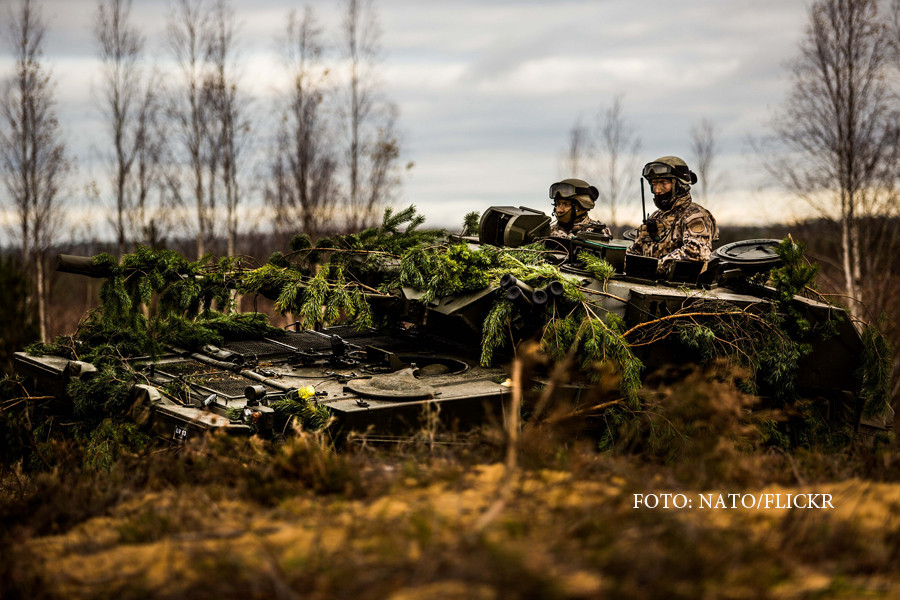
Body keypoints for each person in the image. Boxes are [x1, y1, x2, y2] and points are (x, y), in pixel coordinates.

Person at [627, 156, 717, 273]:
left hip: (683, 284)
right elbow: (635, 252)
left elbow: (697, 252)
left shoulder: (695, 215)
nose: (657, 190)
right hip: (646, 282)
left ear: (679, 184)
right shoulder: (656, 217)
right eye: (654, 184)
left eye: (664, 183)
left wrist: (655, 267)